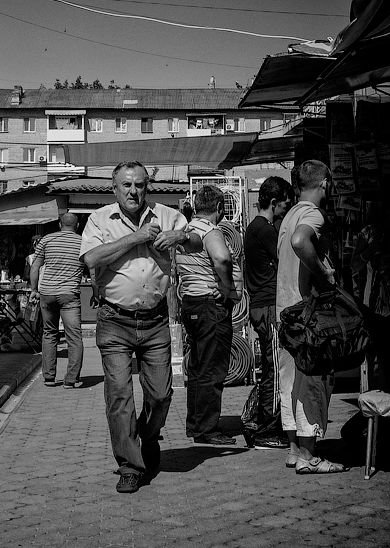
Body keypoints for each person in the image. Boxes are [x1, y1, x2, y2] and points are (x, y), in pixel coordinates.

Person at [80, 161, 202, 493]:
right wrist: (135, 238)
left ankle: (148, 437)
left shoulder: (167, 215)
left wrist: (181, 235)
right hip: (114, 320)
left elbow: (196, 243)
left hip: (155, 319)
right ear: (114, 187)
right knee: (120, 394)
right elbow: (91, 259)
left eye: (140, 185)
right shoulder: (99, 219)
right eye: (126, 185)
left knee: (161, 395)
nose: (134, 191)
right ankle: (130, 465)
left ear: (148, 186)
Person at [276, 159, 347, 474]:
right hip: (307, 316)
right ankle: (309, 457)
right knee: (312, 383)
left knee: (290, 382)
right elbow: (300, 242)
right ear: (325, 183)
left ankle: (294, 451)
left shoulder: (290, 214)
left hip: (287, 313)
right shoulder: (311, 215)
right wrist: (325, 272)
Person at [175, 186, 236, 445]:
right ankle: (208, 430)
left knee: (198, 367)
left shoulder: (186, 231)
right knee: (213, 367)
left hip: (190, 303)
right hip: (211, 304)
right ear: (220, 208)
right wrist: (226, 287)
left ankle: (195, 424)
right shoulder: (211, 231)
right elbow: (222, 258)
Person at [243, 176, 294, 449]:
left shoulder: (255, 227)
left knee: (272, 369)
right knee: (275, 371)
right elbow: (286, 259)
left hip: (262, 306)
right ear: (273, 203)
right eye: (285, 205)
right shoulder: (265, 230)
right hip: (269, 308)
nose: (286, 210)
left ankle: (262, 423)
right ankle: (265, 431)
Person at [30, 213, 86, 388]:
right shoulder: (83, 242)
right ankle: (70, 379)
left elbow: (35, 267)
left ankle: (48, 377)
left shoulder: (46, 240)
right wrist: (96, 290)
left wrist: (33, 290)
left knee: (49, 333)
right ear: (77, 226)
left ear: (59, 224)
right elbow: (92, 268)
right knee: (74, 337)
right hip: (69, 295)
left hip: (46, 293)